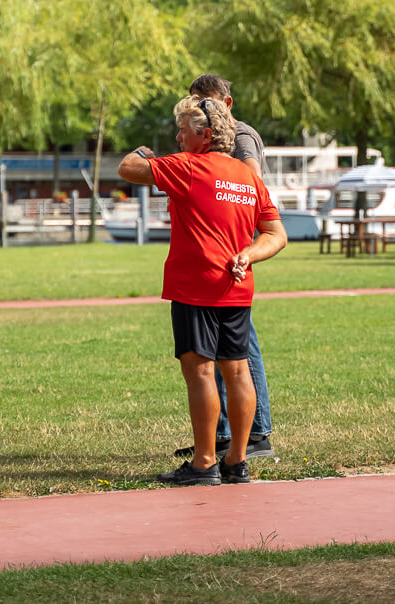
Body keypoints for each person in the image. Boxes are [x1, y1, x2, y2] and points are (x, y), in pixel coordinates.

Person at [119, 95, 287, 485]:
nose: (178, 138)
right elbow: (276, 235)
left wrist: (141, 151)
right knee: (238, 371)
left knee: (201, 373)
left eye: (182, 130)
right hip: (237, 287)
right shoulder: (248, 177)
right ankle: (237, 461)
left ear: (205, 135)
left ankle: (204, 463)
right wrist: (248, 253)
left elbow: (129, 169)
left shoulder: (189, 167)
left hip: (196, 287)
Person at [175, 73, 276, 461]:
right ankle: (219, 437)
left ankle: (256, 435)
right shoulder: (202, 136)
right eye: (194, 102)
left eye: (207, 103)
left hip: (235, 252)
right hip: (218, 251)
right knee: (214, 354)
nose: (200, 109)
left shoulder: (241, 135)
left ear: (226, 105)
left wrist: (213, 179)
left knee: (240, 350)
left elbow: (251, 180)